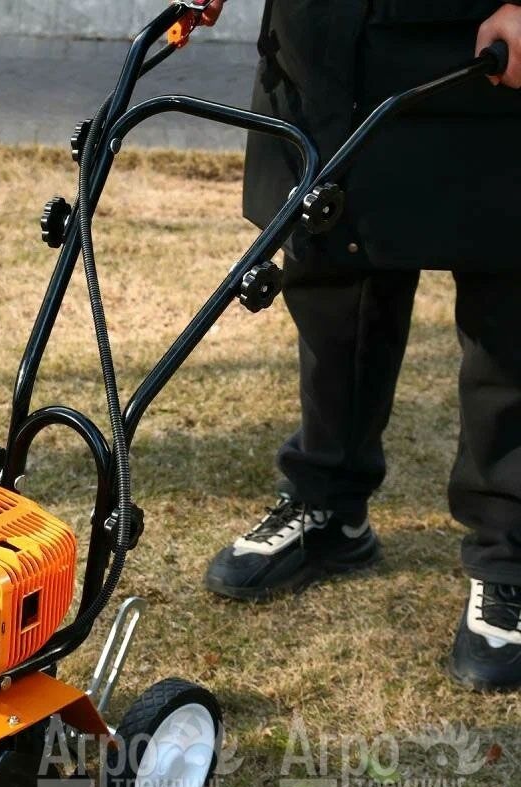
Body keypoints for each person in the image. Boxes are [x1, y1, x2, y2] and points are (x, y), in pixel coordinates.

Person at [197, 1, 521, 692]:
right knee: (333, 268)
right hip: (325, 39)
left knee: (508, 302)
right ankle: (328, 507)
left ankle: (510, 555)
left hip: (480, 41)